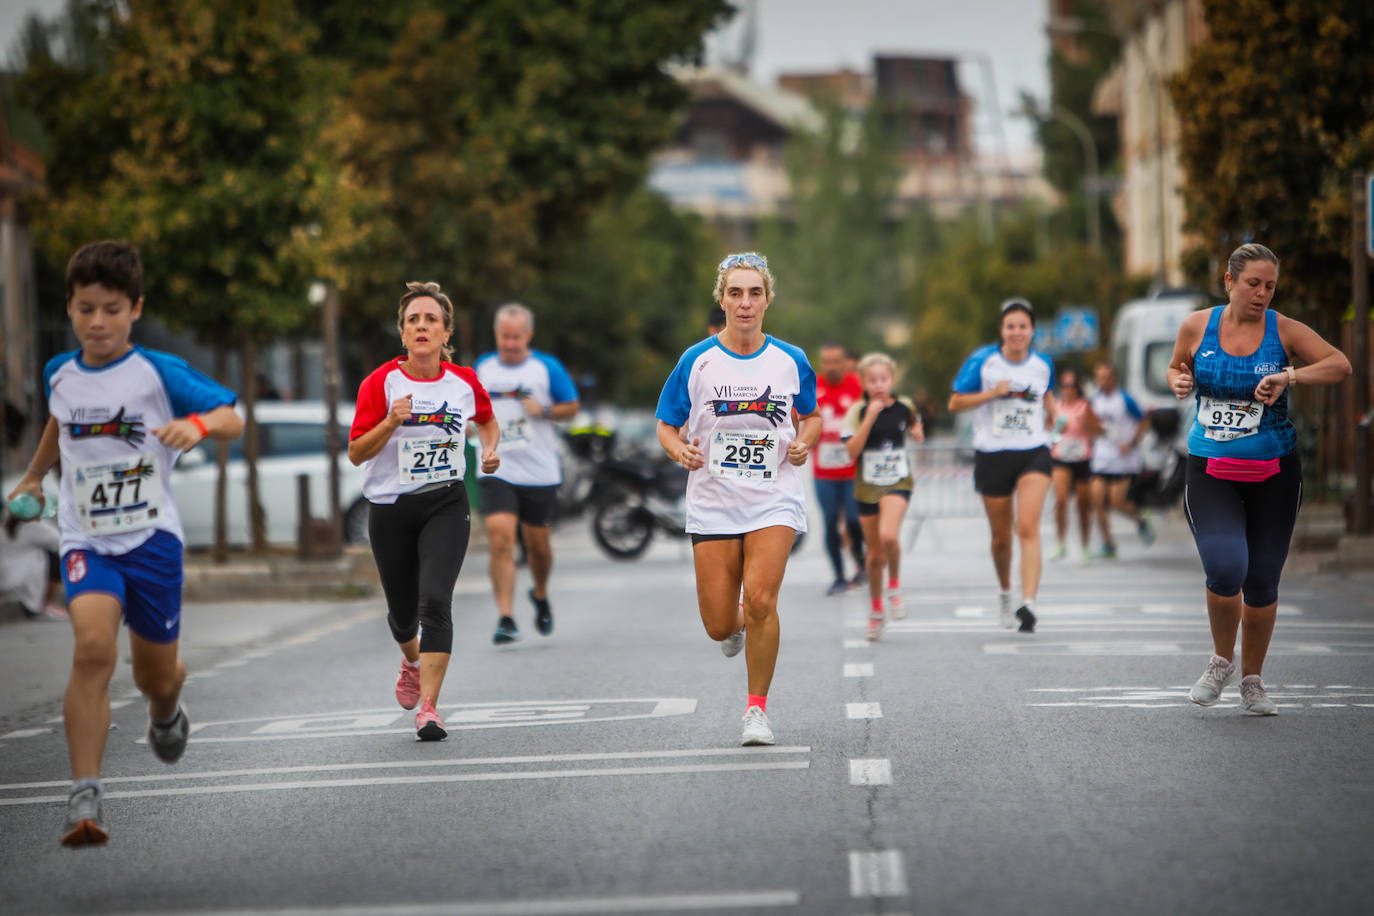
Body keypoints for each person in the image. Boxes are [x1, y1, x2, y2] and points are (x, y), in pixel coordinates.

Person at [5, 240, 242, 847]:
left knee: (153, 675)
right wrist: (34, 475)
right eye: (86, 309)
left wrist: (195, 424)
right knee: (90, 648)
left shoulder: (156, 372)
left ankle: (167, 709)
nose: (98, 322)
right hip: (88, 540)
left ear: (135, 308)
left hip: (151, 541)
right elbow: (61, 420)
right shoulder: (60, 371)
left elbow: (232, 417)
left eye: (111, 309)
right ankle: (86, 792)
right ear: (71, 308)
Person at [1167, 243, 1350, 715]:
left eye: (1270, 286)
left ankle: (1253, 680)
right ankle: (1219, 662)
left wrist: (1290, 377)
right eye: (1253, 284)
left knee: (1264, 580)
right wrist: (1179, 382)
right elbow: (1176, 368)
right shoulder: (1197, 325)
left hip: (1275, 473)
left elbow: (1339, 364)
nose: (1262, 293)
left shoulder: (1283, 330)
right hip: (1211, 469)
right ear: (1228, 281)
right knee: (1227, 567)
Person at [655, 251, 819, 746]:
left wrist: (805, 439)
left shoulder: (791, 359)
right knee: (719, 623)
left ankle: (756, 711)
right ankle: (736, 624)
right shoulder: (697, 360)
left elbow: (809, 414)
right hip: (713, 501)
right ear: (722, 300)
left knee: (764, 599)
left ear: (767, 300)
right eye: (735, 293)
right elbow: (665, 424)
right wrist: (678, 448)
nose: (744, 303)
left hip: (774, 496)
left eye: (754, 293)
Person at [349, 282, 500, 741]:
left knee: (435, 599)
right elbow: (356, 452)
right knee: (401, 615)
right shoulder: (380, 383)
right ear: (402, 333)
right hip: (391, 507)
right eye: (413, 320)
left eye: (430, 319)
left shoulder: (464, 382)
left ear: (445, 331)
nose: (421, 326)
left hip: (446, 502)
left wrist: (490, 450)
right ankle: (411, 660)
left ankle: (429, 709)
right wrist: (391, 421)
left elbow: (487, 422)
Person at [948, 299, 1056, 633]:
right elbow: (954, 403)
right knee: (1001, 538)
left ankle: (1029, 602)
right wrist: (992, 393)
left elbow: (1048, 399)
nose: (1017, 332)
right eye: (1011, 326)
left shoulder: (1042, 364)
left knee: (1027, 527)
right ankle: (1005, 592)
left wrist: (1059, 421)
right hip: (992, 453)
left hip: (1033, 451)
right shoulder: (984, 361)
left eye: (1023, 326)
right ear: (1002, 331)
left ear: (1032, 331)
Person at [474, 303, 580, 644]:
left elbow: (572, 407)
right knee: (500, 537)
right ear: (496, 335)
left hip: (539, 470)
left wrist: (545, 410)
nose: (510, 343)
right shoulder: (483, 368)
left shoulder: (546, 367)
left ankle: (540, 591)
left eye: (516, 337)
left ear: (528, 335)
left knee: (538, 546)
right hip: (496, 465)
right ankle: (505, 617)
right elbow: (472, 411)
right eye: (504, 337)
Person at [841, 352, 924, 639]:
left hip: (898, 480)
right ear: (863, 382)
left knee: (889, 536)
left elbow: (914, 422)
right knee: (874, 554)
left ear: (892, 380)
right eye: (872, 380)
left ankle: (895, 588)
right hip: (867, 485)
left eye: (883, 379)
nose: (878, 385)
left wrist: (917, 430)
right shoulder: (857, 411)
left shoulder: (904, 405)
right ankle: (876, 611)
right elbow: (851, 451)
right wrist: (870, 417)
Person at [813, 342, 866, 596]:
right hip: (824, 472)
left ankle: (861, 564)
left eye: (837, 361)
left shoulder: (857, 387)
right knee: (831, 522)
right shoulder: (813, 387)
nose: (832, 366)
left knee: (855, 521)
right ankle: (838, 576)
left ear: (845, 362)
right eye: (827, 361)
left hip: (853, 471)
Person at [1088, 361, 1155, 557]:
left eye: (1106, 377)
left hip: (1123, 459)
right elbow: (1093, 427)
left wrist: (1132, 442)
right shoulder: (1095, 401)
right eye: (1099, 377)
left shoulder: (1124, 399)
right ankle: (1108, 544)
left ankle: (1141, 520)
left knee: (1116, 502)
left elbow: (1144, 420)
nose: (1103, 381)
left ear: (1113, 378)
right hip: (1101, 458)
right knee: (1098, 501)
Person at [1049, 369, 1100, 564]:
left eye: (1071, 385)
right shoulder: (1055, 405)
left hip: (1081, 458)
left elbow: (1097, 429)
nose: (1067, 389)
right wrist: (1055, 429)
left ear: (1077, 388)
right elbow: (1047, 427)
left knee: (1083, 504)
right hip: (1061, 457)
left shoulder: (1084, 406)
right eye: (1064, 385)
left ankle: (1085, 545)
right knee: (1061, 499)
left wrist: (1087, 425)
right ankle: (1060, 543)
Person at [1, 509, 68, 621]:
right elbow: (58, 540)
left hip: (5, 577)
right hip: (23, 578)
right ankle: (45, 604)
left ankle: (41, 604)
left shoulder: (6, 522)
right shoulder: (32, 524)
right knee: (54, 559)